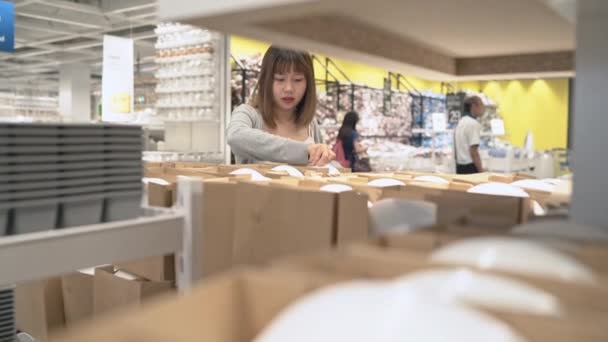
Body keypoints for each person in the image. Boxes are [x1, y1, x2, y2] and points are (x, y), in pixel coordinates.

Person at [227, 46, 335, 166]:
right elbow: (236, 137)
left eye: (297, 80)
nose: (288, 88)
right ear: (266, 81)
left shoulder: (310, 124)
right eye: (280, 79)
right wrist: (303, 151)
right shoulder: (248, 115)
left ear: (308, 83)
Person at [454, 95, 485, 174]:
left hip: (460, 166)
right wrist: (481, 171)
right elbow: (473, 152)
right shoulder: (473, 124)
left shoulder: (461, 122)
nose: (483, 108)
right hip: (470, 167)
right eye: (481, 105)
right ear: (474, 106)